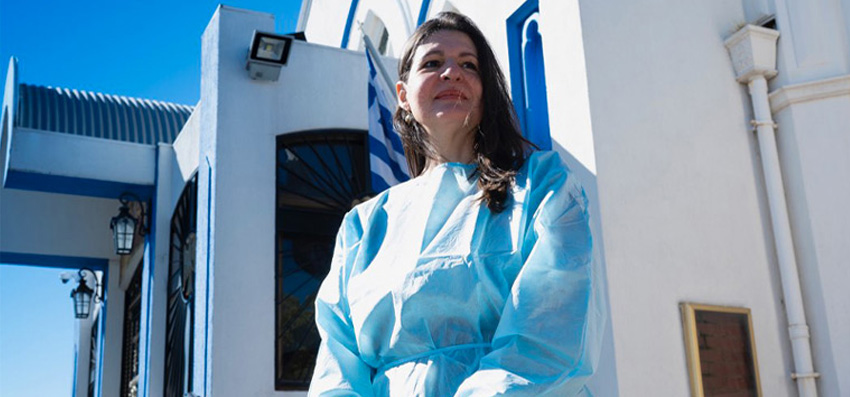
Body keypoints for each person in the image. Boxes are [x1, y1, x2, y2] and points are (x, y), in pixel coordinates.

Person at [308, 11, 604, 396]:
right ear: (403, 97)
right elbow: (337, 371)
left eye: (468, 64)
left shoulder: (542, 187)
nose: (451, 72)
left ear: (486, 92)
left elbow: (550, 337)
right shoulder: (362, 227)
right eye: (433, 63)